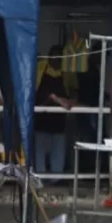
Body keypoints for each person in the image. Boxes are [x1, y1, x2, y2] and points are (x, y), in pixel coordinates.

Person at [35, 45, 77, 174]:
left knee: (58, 161)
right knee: (39, 155)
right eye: (53, 57)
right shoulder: (40, 67)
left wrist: (71, 100)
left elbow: (74, 90)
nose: (56, 61)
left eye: (59, 58)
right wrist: (51, 99)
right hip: (41, 118)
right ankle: (39, 179)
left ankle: (56, 180)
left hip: (59, 121)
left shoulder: (67, 72)